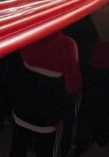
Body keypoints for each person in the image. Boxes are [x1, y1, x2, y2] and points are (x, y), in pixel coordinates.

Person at [11, 27, 82, 157]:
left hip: (21, 110)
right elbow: (73, 86)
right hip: (47, 119)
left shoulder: (28, 34)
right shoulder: (68, 46)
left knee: (17, 149)